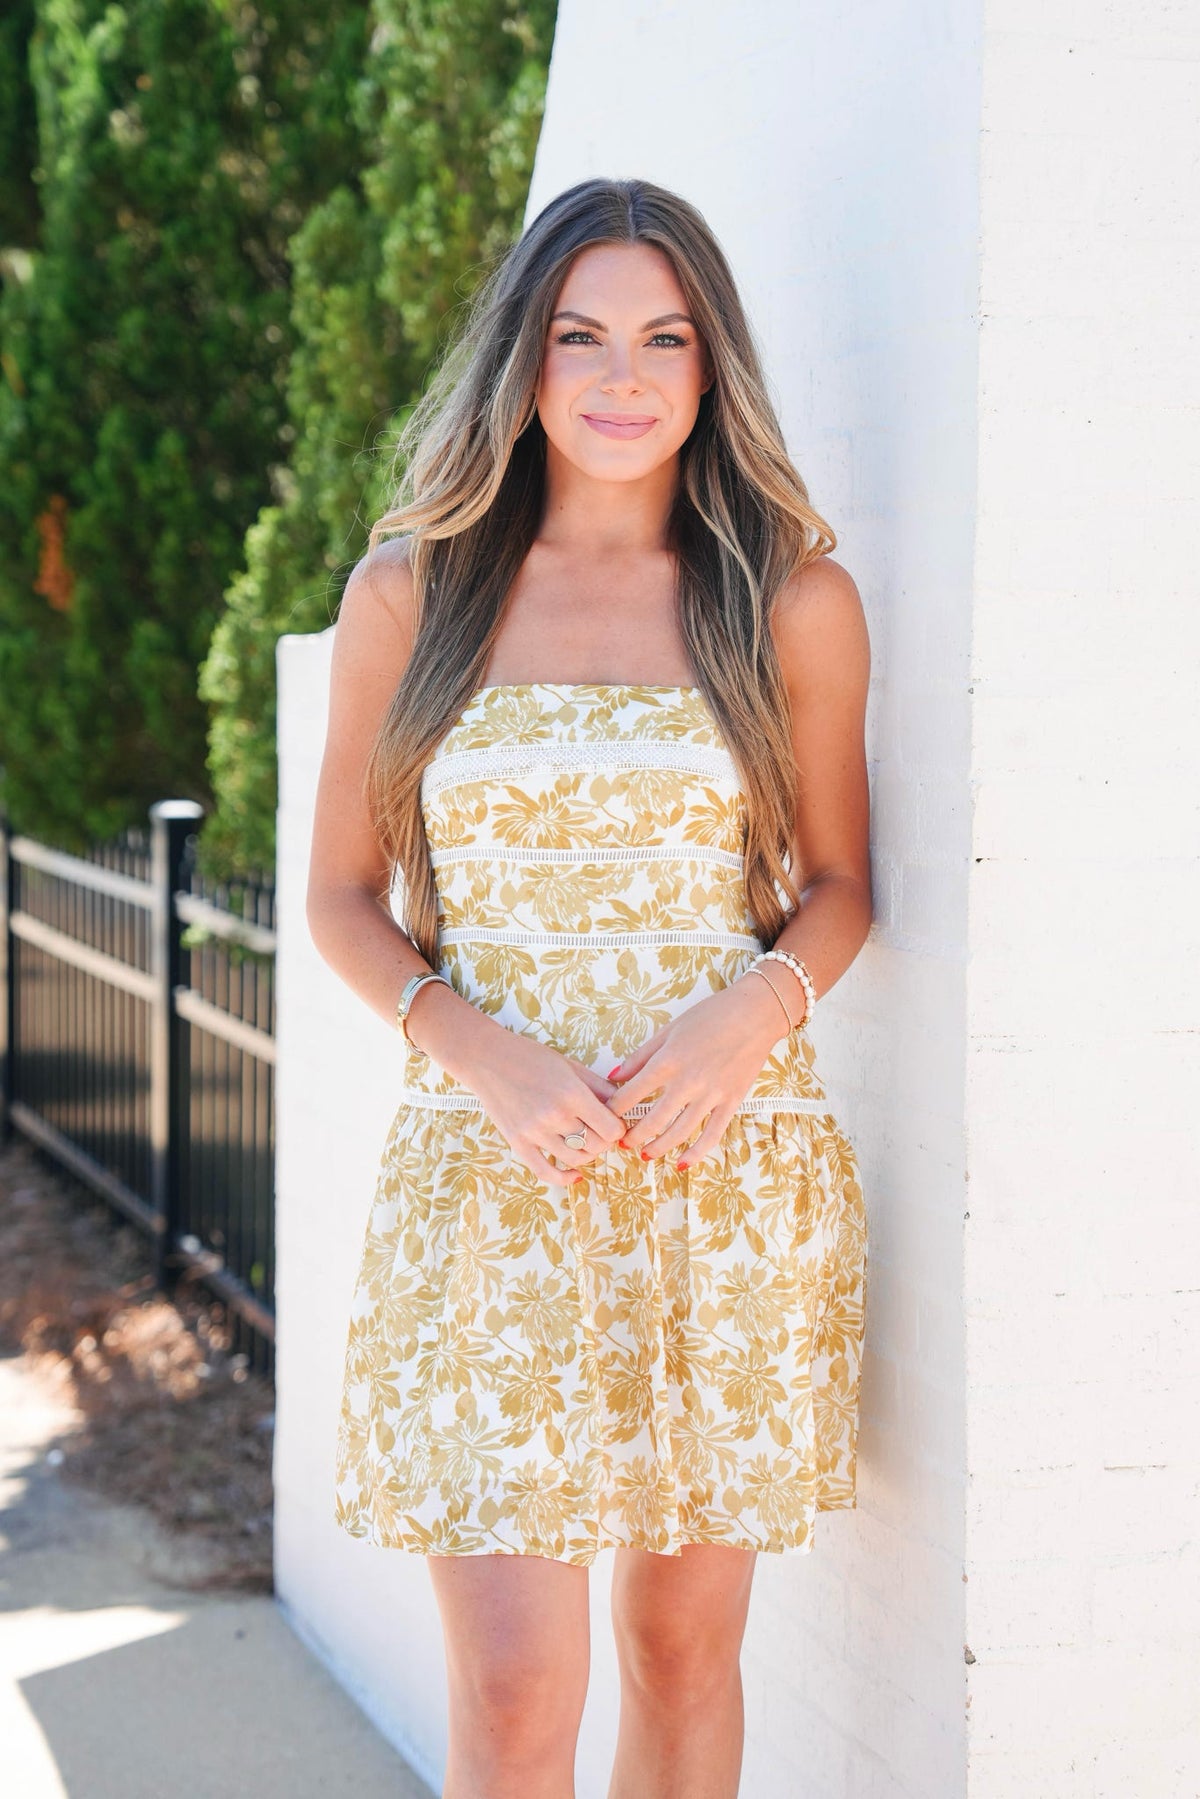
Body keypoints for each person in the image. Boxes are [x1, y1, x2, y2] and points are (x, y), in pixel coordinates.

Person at [307, 175, 872, 1799]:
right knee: (512, 1688)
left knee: (684, 1653)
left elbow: (842, 887)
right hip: (492, 1189)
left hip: (723, 1178)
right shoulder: (412, 594)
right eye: (581, 335)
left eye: (664, 338)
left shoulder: (788, 599)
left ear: (711, 366)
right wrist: (475, 1049)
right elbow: (339, 900)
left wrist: (751, 1015)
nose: (624, 375)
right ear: (525, 359)